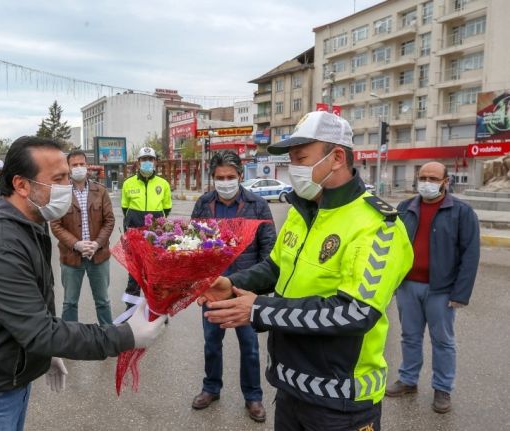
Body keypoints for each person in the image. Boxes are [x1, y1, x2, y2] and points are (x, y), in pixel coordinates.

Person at [0, 136, 167, 430]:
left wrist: (43, 353)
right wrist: (125, 336)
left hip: (6, 376)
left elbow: (29, 309)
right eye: (58, 179)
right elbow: (39, 330)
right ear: (21, 185)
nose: (68, 186)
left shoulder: (28, 222)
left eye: (69, 176)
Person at [200, 111, 414, 430]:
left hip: (342, 403)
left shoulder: (378, 226)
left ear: (337, 157)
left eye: (301, 158)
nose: (293, 169)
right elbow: (276, 266)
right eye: (291, 161)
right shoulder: (303, 211)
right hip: (290, 388)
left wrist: (259, 309)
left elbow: (355, 313)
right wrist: (231, 283)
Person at [385, 162, 480, 414]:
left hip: (442, 290)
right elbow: (392, 246)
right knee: (410, 336)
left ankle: (442, 388)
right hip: (408, 286)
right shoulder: (405, 208)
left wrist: (460, 293)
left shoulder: (461, 211)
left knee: (443, 341)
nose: (427, 182)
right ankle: (408, 379)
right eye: (423, 177)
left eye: (433, 178)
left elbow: (470, 255)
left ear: (446, 181)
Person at [190, 150, 275, 423]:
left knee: (249, 347)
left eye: (230, 177)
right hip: (212, 289)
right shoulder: (204, 204)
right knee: (211, 344)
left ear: (240, 176)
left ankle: (253, 396)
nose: (225, 182)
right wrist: (197, 283)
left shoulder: (257, 205)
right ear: (212, 178)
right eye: (219, 177)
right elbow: (191, 245)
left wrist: (257, 289)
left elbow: (269, 249)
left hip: (243, 291)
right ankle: (211, 388)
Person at [50, 149, 115, 325]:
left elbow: (109, 221)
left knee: (103, 301)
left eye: (82, 164)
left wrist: (97, 243)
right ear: (68, 168)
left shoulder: (100, 191)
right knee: (70, 303)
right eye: (74, 165)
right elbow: (55, 224)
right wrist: (76, 244)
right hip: (71, 257)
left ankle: (108, 336)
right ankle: (70, 341)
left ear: (87, 166)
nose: (79, 168)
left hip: (98, 256)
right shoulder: (60, 192)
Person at [121, 147, 171, 306]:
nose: (147, 162)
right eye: (144, 159)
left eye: (150, 159)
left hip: (155, 239)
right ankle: (130, 312)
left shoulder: (163, 184)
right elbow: (125, 208)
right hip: (134, 237)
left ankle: (156, 312)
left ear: (155, 162)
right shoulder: (128, 183)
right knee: (134, 276)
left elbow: (167, 208)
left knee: (155, 276)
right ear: (138, 162)